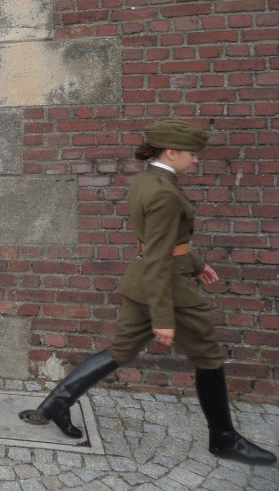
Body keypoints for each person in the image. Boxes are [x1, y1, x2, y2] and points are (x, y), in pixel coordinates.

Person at [33, 120, 276, 466]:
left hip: (142, 281)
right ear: (172, 152)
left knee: (120, 349)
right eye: (192, 154)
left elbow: (159, 242)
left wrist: (195, 263)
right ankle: (224, 439)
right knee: (208, 355)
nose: (196, 161)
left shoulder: (148, 180)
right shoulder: (164, 192)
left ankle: (56, 404)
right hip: (168, 290)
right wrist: (163, 318)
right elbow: (161, 257)